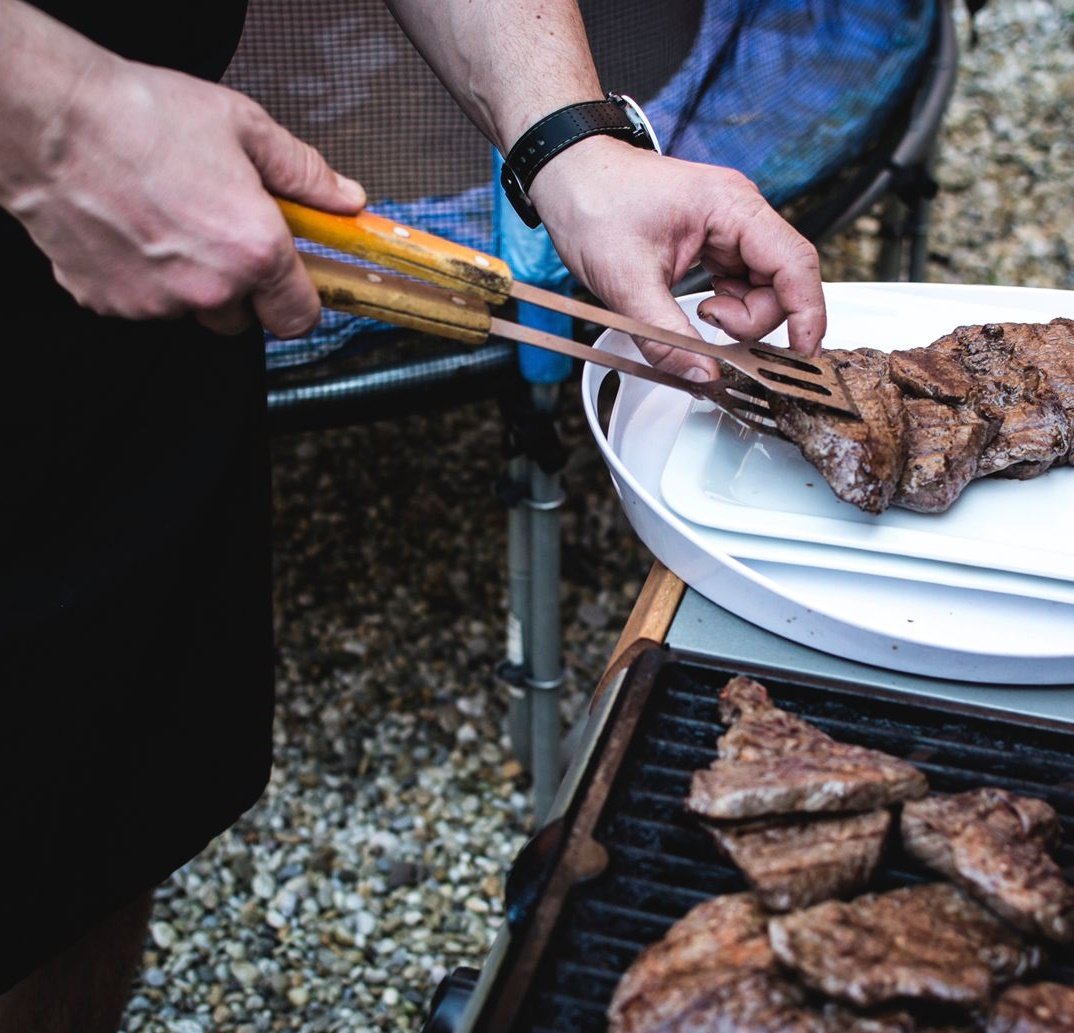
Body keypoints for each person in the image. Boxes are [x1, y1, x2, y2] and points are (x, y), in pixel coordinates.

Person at [0, 0, 826, 1028]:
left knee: (85, 813)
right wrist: (53, 116)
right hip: (83, 153)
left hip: (161, 222)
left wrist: (573, 144)